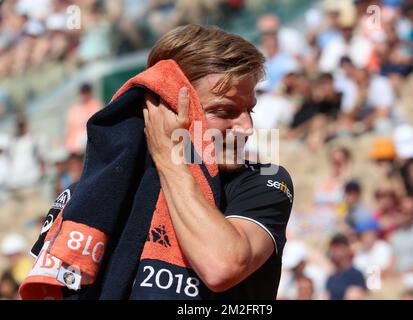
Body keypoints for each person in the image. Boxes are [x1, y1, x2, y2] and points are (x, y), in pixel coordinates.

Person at [30, 24, 294, 300]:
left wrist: (170, 158)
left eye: (248, 110)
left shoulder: (263, 181)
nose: (246, 127)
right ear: (165, 107)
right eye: (224, 111)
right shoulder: (90, 196)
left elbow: (222, 266)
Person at [325, 233, 366, 300]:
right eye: (333, 248)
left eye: (339, 247)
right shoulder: (331, 277)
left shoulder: (356, 274)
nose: (335, 251)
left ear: (347, 249)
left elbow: (354, 296)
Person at [65, 83, 101, 154]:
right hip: (77, 147)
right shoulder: (74, 109)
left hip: (92, 142)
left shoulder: (96, 105)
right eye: (83, 92)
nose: (85, 95)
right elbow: (70, 128)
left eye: (86, 92)